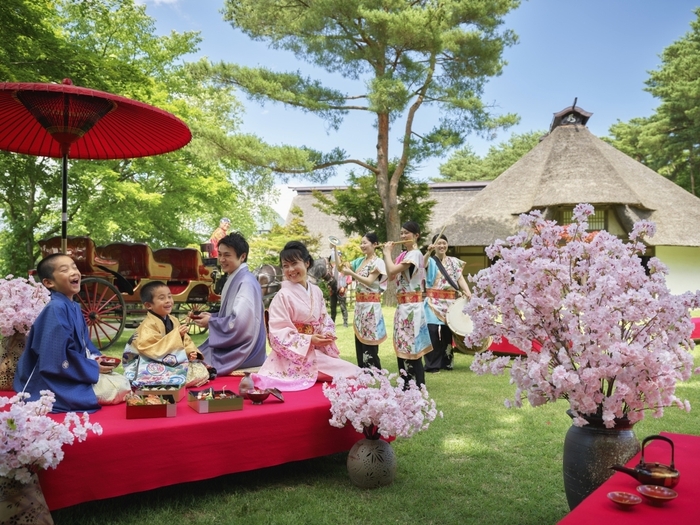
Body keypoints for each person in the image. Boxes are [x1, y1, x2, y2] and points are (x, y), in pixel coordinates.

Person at [13, 254, 130, 413]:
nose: (74, 272)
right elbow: (56, 358)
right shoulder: (55, 309)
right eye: (64, 269)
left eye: (74, 267)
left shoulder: (73, 306)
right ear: (49, 282)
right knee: (117, 388)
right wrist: (92, 368)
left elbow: (84, 344)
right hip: (50, 381)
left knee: (122, 381)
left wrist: (96, 359)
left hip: (74, 370)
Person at [253, 241, 360, 391]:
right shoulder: (282, 295)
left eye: (294, 263)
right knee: (354, 373)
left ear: (307, 263)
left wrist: (326, 333)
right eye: (285, 266)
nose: (290, 270)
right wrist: (309, 340)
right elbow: (278, 334)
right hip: (292, 357)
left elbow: (324, 319)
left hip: (313, 351)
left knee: (355, 372)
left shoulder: (316, 291)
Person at [194, 232, 267, 375]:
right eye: (220, 254)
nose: (221, 259)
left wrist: (212, 321)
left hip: (245, 351)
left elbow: (240, 323)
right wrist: (213, 316)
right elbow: (231, 314)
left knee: (195, 362)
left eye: (227, 255)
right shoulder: (236, 277)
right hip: (239, 345)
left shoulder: (246, 282)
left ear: (242, 256)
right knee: (192, 355)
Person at [123, 281, 213, 387]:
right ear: (148, 305)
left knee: (198, 369)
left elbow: (186, 341)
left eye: (169, 297)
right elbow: (149, 349)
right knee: (175, 374)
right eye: (162, 298)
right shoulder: (148, 325)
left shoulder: (173, 320)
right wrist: (176, 335)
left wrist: (191, 353)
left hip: (166, 360)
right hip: (145, 362)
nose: (168, 301)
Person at [381, 221, 432, 387]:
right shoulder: (404, 255)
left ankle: (415, 384)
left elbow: (393, 270)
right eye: (401, 233)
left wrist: (387, 254)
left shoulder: (415, 254)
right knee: (404, 345)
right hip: (404, 307)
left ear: (416, 235)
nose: (402, 236)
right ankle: (407, 383)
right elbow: (390, 275)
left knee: (411, 347)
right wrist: (390, 257)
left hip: (411, 307)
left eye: (407, 233)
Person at [423, 233, 472, 373]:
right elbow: (423, 264)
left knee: (446, 333)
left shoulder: (454, 262)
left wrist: (468, 292)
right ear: (434, 245)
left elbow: (460, 279)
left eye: (444, 243)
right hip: (433, 302)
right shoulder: (430, 260)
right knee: (432, 331)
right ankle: (432, 364)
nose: (442, 245)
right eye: (439, 243)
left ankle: (446, 361)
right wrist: (428, 252)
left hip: (450, 303)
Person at [341, 232, 387, 368]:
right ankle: (362, 369)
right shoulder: (359, 261)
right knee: (360, 339)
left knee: (370, 339)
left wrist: (352, 274)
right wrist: (335, 248)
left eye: (365, 243)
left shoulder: (378, 262)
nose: (362, 245)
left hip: (371, 306)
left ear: (374, 245)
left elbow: (369, 281)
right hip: (360, 306)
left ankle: (373, 370)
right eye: (361, 243)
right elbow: (342, 268)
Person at [328, 256, 349, 327]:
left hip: (341, 290)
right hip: (333, 290)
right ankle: (332, 323)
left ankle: (345, 322)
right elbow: (329, 278)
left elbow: (348, 278)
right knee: (332, 307)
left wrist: (345, 287)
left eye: (338, 257)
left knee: (343, 307)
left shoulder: (344, 267)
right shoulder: (332, 268)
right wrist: (329, 286)